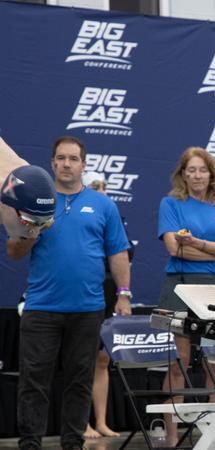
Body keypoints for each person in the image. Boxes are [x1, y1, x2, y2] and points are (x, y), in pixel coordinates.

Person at [11, 136, 131, 450]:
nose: (67, 164)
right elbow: (13, 251)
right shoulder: (33, 201)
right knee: (34, 379)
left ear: (83, 165)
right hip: (41, 307)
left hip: (87, 308)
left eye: (73, 158)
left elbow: (118, 252)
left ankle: (73, 442)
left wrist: (124, 294)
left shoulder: (103, 205)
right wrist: (32, 230)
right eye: (61, 158)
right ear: (52, 163)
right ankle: (30, 443)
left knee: (80, 379)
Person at [157, 146, 215, 447]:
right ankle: (172, 439)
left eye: (202, 170)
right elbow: (173, 248)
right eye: (191, 170)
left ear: (211, 174)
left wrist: (195, 244)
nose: (196, 175)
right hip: (179, 287)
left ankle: (213, 438)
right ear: (183, 174)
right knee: (178, 363)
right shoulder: (171, 203)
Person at [80, 171, 135, 439]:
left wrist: (123, 294)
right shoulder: (79, 215)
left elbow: (124, 256)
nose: (101, 191)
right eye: (94, 187)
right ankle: (81, 423)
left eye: (103, 186)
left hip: (109, 291)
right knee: (81, 359)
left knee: (102, 360)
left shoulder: (112, 217)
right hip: (84, 289)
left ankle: (100, 421)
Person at [1, 136, 56, 244]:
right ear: (6, 205)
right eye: (27, 222)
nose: (34, 234)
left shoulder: (25, 177)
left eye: (46, 223)